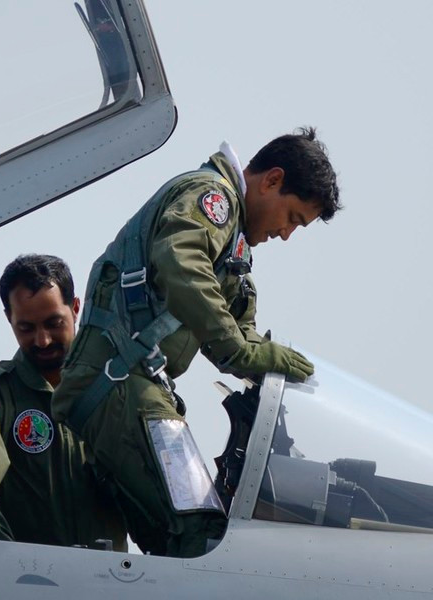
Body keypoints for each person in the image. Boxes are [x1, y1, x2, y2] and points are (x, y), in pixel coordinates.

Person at [52, 128, 341, 557]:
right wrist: (240, 349)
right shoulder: (212, 199)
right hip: (118, 384)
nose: (286, 234)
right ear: (273, 180)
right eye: (293, 218)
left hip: (129, 387)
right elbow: (182, 262)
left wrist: (266, 360)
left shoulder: (234, 246)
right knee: (201, 538)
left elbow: (239, 333)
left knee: (178, 545)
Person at [0, 254, 127, 550]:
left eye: (54, 323)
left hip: (112, 574)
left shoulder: (117, 386)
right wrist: (10, 563)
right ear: (8, 319)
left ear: (76, 308)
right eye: (26, 328)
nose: (42, 340)